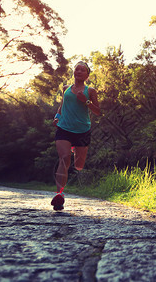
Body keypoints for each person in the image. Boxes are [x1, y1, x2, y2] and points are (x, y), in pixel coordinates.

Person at [51, 61, 101, 210]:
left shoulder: (90, 91)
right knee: (64, 158)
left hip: (82, 130)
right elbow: (62, 106)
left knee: (78, 166)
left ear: (87, 75)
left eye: (82, 70)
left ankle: (75, 150)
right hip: (64, 128)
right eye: (76, 69)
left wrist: (85, 101)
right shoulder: (66, 88)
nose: (78, 72)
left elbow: (98, 111)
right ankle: (59, 194)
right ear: (74, 72)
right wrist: (57, 116)